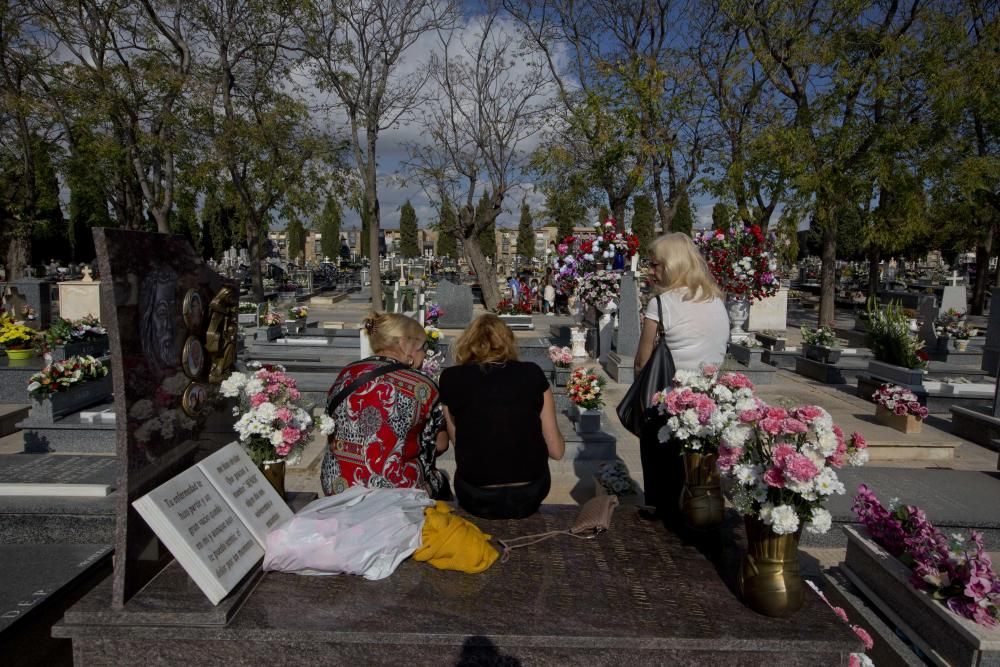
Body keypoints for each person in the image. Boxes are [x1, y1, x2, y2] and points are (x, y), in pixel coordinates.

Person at [633, 233, 729, 521]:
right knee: (698, 478)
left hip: (668, 403)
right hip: (708, 404)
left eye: (656, 265)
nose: (651, 271)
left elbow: (641, 361)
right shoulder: (716, 300)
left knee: (663, 486)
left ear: (672, 265)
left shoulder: (661, 304)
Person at [439, 314, 565, 519]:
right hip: (530, 491)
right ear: (507, 341)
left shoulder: (451, 378)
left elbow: (458, 441)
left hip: (476, 493)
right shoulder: (532, 373)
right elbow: (556, 451)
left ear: (467, 342)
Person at [321, 312, 450, 499]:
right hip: (396, 493)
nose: (424, 353)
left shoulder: (346, 374)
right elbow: (440, 444)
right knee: (441, 481)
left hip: (340, 486)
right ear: (406, 345)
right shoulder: (422, 387)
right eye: (423, 347)